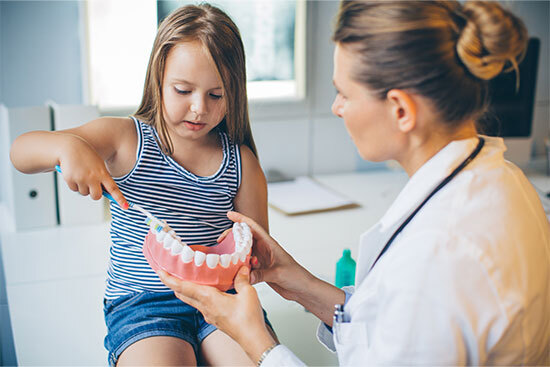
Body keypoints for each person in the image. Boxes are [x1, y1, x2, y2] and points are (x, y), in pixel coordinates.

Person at [157, 1, 550, 365]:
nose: (336, 107)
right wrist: (296, 281)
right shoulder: (503, 182)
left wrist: (257, 341)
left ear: (400, 109)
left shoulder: (440, 255)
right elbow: (390, 328)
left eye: (344, 93)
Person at [9, 4, 275, 366]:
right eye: (183, 90)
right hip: (143, 302)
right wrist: (66, 146)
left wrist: (239, 260)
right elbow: (20, 151)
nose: (198, 108)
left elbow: (257, 254)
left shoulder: (242, 163)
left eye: (216, 95)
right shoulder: (124, 139)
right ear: (158, 79)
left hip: (223, 295)